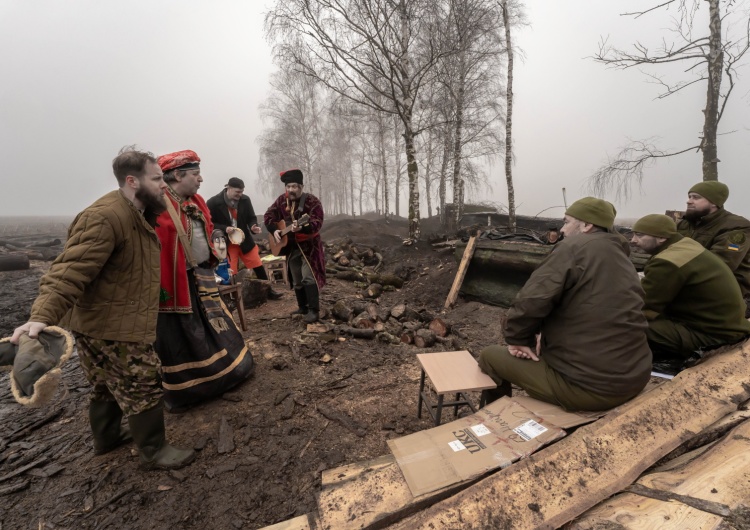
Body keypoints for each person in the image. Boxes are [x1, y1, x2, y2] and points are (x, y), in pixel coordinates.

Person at [10, 146, 195, 470]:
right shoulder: (106, 217)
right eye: (156, 179)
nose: (164, 185)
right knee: (143, 382)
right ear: (132, 181)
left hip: (99, 321)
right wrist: (40, 318)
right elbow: (68, 271)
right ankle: (154, 450)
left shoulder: (137, 211)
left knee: (103, 382)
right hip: (115, 326)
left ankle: (106, 437)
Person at [478, 197, 652, 411]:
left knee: (490, 356)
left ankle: (494, 417)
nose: (562, 230)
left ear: (587, 225)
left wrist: (517, 339)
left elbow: (532, 300)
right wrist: (543, 334)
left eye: (567, 222)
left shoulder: (573, 247)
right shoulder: (620, 254)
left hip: (591, 390)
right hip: (635, 377)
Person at [154, 150, 254, 411]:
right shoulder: (157, 205)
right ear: (177, 175)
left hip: (201, 278)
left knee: (213, 323)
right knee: (184, 334)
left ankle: (231, 369)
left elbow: (208, 231)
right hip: (175, 285)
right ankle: (190, 389)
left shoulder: (196, 200)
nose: (200, 179)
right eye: (195, 174)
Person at [631, 214, 750, 364]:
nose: (633, 240)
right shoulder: (687, 246)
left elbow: (641, 305)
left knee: (625, 324)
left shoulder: (668, 261)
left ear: (661, 238)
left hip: (712, 335)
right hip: (727, 326)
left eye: (639, 235)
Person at [676, 181, 750, 317]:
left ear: (714, 202)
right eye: (689, 196)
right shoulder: (685, 224)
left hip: (725, 289)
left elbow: (720, 264)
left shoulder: (737, 227)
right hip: (686, 283)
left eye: (696, 197)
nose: (689, 201)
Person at [263, 169, 326, 323]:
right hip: (291, 247)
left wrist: (303, 227)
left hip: (310, 247)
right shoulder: (281, 201)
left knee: (308, 276)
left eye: (294, 187)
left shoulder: (312, 201)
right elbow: (268, 215)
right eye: (288, 186)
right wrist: (274, 230)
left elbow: (317, 222)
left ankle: (313, 311)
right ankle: (302, 307)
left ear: (301, 187)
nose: (290, 190)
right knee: (297, 278)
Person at [206, 177, 282, 299]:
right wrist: (225, 228)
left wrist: (253, 226)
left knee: (257, 264)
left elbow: (251, 217)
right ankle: (232, 297)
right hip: (227, 242)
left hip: (244, 240)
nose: (240, 195)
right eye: (237, 192)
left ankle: (269, 291)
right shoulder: (213, 202)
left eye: (242, 192)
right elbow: (208, 223)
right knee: (230, 270)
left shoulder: (245, 200)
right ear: (228, 188)